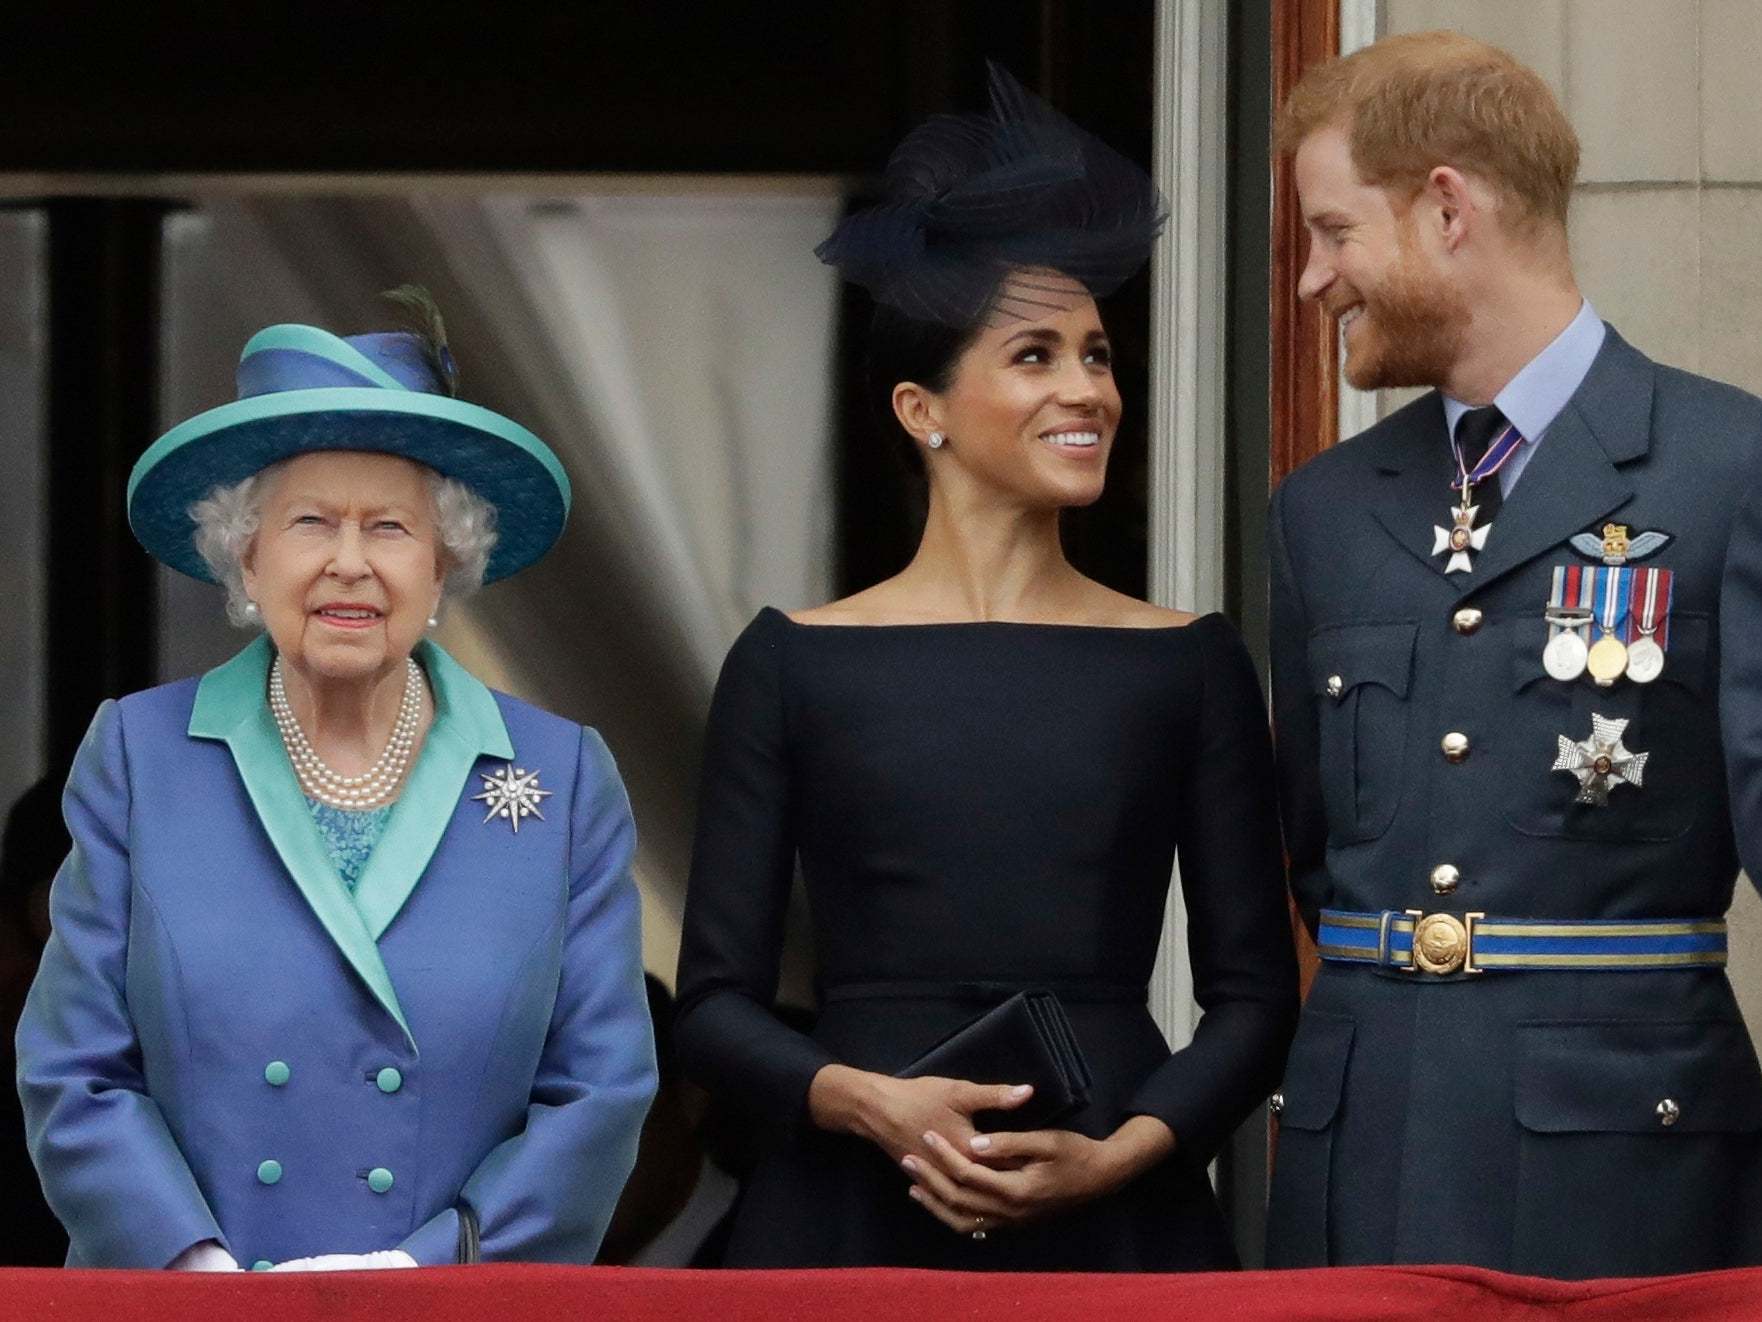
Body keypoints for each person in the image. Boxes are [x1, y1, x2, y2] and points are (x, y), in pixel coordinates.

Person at [673, 64, 1298, 1271]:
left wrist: (1123, 1148)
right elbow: (712, 1007)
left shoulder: (1189, 662)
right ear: (923, 408)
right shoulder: (790, 661)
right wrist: (866, 1101)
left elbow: (1255, 999)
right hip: (847, 1211)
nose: (1088, 390)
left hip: (1116, 1208)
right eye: (1034, 355)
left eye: (1099, 355)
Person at [16, 294, 657, 1270]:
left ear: (443, 563)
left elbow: (600, 1088)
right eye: (310, 521)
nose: (349, 564)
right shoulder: (138, 757)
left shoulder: (561, 777)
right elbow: (76, 1068)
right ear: (247, 552)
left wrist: (420, 1270)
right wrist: (197, 1269)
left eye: (390, 527)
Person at [1266, 32, 1762, 1277]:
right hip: (1361, 1149)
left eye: (1332, 232)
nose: (1310, 281)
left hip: (1622, 1170)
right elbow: (1315, 856)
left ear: (1445, 208)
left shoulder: (1726, 468)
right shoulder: (1320, 510)